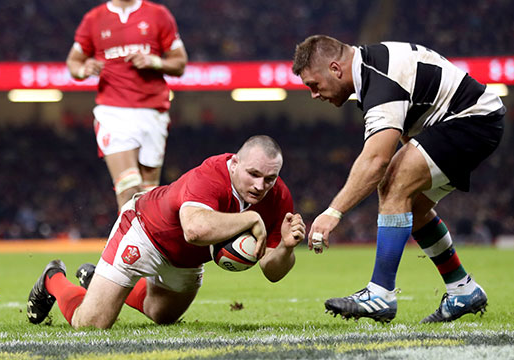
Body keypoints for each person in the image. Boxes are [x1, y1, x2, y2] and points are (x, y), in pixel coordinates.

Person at [292, 35, 505, 323]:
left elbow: (376, 160)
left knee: (393, 182)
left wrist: (333, 212)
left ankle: (380, 294)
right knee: (412, 206)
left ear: (335, 68)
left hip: (471, 120)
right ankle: (462, 289)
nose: (314, 95)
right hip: (470, 120)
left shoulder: (379, 81)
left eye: (314, 85)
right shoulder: (374, 68)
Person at [26, 136, 306, 329]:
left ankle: (95, 278)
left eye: (270, 178)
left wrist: (286, 248)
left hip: (186, 260)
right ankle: (53, 278)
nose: (260, 185)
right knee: (90, 325)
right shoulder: (210, 174)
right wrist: (250, 218)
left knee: (161, 315)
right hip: (144, 232)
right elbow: (195, 230)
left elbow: (272, 271)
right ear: (234, 163)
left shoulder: (279, 197)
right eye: (253, 174)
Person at [66, 0, 188, 210]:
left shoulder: (158, 14)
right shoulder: (93, 19)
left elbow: (179, 63)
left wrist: (155, 62)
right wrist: (83, 70)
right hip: (114, 112)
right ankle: (123, 243)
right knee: (129, 189)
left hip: (153, 112)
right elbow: (73, 62)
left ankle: (141, 243)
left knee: (148, 198)